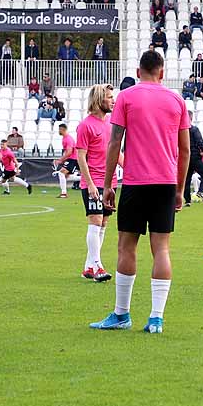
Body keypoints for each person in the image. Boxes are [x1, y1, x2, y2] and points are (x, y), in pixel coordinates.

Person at [89, 50, 190, 334]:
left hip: (134, 183)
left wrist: (108, 184)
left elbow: (114, 143)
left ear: (138, 70)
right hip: (166, 184)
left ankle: (122, 314)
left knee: (126, 246)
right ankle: (156, 318)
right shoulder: (176, 100)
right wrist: (180, 189)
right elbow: (185, 150)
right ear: (162, 71)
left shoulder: (126, 97)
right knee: (161, 249)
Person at [75, 84, 116, 282]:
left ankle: (89, 266)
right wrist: (89, 183)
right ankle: (98, 265)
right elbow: (80, 157)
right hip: (94, 181)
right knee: (95, 220)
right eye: (109, 97)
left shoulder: (111, 124)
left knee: (104, 223)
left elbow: (116, 153)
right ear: (99, 100)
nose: (113, 100)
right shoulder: (85, 125)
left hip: (110, 182)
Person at [183, 123, 203, 207]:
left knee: (187, 179)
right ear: (191, 118)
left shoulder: (181, 130)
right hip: (195, 157)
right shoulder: (194, 129)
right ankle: (200, 191)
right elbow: (200, 141)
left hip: (185, 157)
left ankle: (187, 201)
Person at [51, 122, 79, 197]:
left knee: (61, 173)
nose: (59, 131)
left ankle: (64, 193)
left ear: (63, 129)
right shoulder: (65, 138)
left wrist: (60, 160)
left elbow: (69, 152)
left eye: (59, 129)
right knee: (66, 176)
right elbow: (67, 152)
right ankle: (64, 192)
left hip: (73, 159)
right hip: (72, 159)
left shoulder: (68, 139)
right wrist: (61, 159)